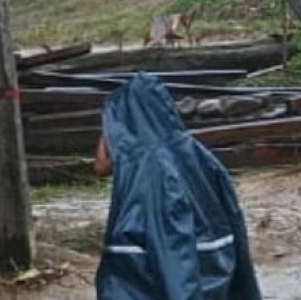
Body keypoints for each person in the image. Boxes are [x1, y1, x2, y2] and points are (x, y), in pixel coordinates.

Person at [93, 73, 262, 300]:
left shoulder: (151, 170)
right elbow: (233, 220)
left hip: (159, 282)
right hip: (213, 272)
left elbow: (171, 245)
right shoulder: (198, 154)